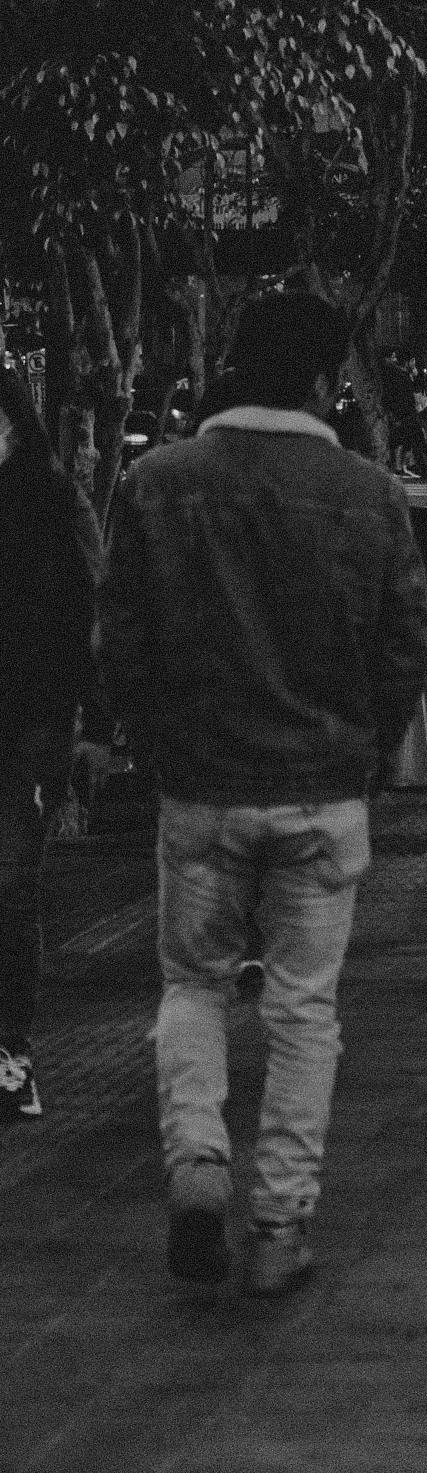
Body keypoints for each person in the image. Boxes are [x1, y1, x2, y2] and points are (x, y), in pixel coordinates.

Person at [98, 289, 427, 1294]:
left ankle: (198, 1162)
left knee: (192, 984)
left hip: (200, 784)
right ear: (330, 380)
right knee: (303, 1010)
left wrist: (152, 740)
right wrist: (360, 747)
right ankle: (281, 1225)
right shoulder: (364, 493)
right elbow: (405, 642)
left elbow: (122, 638)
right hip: (321, 788)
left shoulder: (157, 482)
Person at [0, 364, 101, 1125]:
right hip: (32, 715)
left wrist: (77, 726)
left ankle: (11, 1049)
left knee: (11, 887)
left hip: (27, 723)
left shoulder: (48, 497)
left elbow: (84, 615)